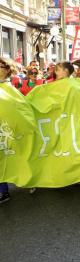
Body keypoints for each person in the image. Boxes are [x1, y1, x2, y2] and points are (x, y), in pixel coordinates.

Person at [0, 57, 18, 203]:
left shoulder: (8, 88)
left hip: (6, 131)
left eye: (1, 66)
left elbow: (18, 109)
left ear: (7, 70)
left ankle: (3, 191)